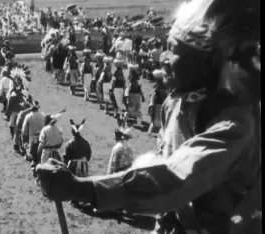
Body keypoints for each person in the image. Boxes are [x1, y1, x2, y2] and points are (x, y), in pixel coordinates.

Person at [35, 0, 261, 233]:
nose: (163, 58)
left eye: (173, 50)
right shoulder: (175, 104)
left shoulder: (236, 125)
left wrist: (85, 189)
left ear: (206, 63)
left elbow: (176, 177)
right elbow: (171, 200)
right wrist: (113, 205)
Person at [63, 118, 92, 206]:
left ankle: (74, 199)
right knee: (83, 181)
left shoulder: (69, 144)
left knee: (74, 182)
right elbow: (89, 155)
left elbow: (65, 157)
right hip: (84, 163)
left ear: (72, 132)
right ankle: (83, 198)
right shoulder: (85, 142)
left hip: (73, 164)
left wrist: (67, 164)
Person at [22, 101, 45, 175]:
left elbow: (24, 129)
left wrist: (24, 139)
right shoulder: (43, 115)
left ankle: (35, 169)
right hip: (42, 138)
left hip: (33, 138)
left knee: (34, 154)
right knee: (41, 154)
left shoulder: (28, 116)